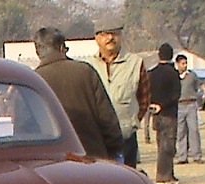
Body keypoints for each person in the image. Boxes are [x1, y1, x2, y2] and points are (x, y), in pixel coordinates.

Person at [33, 27, 123, 160]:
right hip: (92, 158)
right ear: (62, 47)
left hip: (51, 163)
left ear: (37, 52)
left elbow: (24, 128)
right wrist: (113, 150)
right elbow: (107, 120)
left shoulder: (34, 81)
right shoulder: (85, 71)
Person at [83, 16, 150, 168]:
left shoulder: (135, 63)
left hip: (125, 139)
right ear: (96, 38)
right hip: (96, 141)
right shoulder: (87, 66)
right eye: (105, 34)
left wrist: (132, 122)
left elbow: (144, 99)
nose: (110, 38)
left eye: (114, 33)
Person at [148, 43, 181, 184]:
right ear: (171, 55)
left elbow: (146, 92)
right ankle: (165, 176)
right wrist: (163, 104)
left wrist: (153, 104)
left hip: (155, 114)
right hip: (168, 113)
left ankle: (167, 173)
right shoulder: (172, 73)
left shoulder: (152, 73)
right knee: (168, 146)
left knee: (160, 144)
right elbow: (175, 94)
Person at [174, 54, 202, 164]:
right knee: (180, 132)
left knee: (194, 130)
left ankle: (196, 155)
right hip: (179, 105)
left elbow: (196, 88)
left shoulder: (192, 76)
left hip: (191, 104)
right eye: (182, 63)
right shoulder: (174, 76)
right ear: (177, 64)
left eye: (186, 63)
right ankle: (182, 156)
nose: (184, 66)